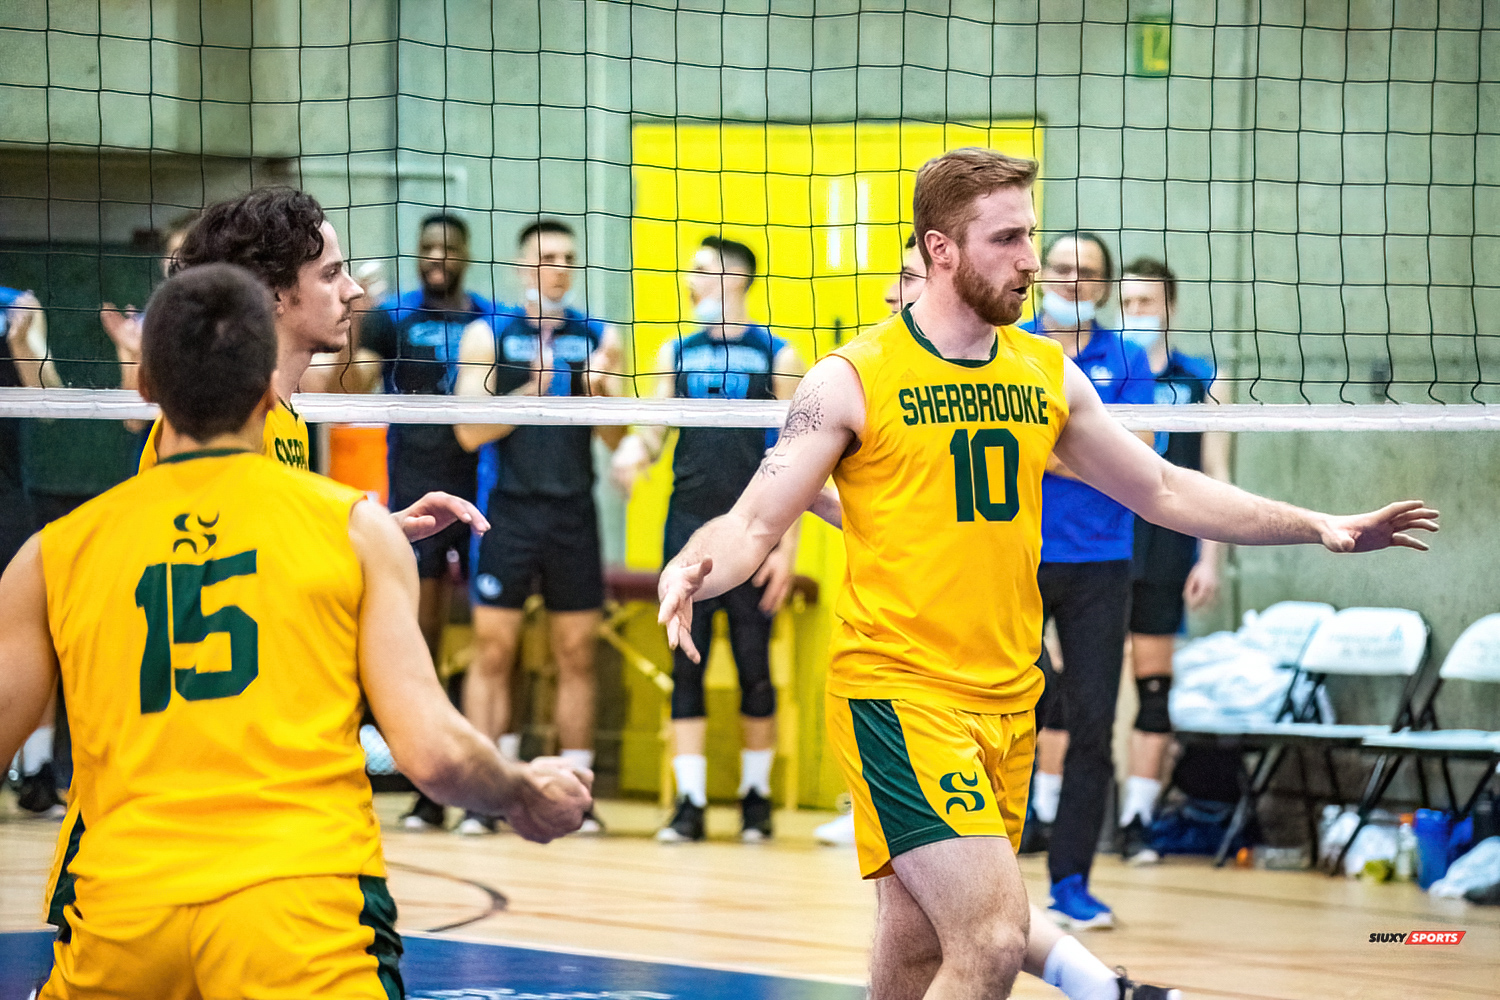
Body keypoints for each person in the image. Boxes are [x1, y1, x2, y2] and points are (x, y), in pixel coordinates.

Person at [656, 146, 1437, 1000]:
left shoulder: (1044, 375)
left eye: (1031, 233)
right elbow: (755, 520)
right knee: (992, 939)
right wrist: (693, 567)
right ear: (940, 249)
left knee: (919, 949)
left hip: (1006, 698)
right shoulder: (850, 380)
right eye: (1008, 239)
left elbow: (1164, 487)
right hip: (898, 694)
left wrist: (1318, 526)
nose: (1033, 260)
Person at [0, 263, 593, 1000]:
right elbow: (433, 755)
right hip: (299, 919)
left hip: (123, 923)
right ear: (267, 393)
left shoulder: (53, 555)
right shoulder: (351, 530)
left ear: (146, 388)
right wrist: (522, 792)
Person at [809, 231, 1185, 1000]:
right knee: (977, 922)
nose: (1045, 268)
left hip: (1079, 576)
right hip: (919, 666)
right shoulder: (878, 374)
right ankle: (1098, 981)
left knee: (934, 917)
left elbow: (1144, 462)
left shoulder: (1034, 364)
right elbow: (793, 501)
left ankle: (1077, 887)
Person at [135, 188, 487, 547]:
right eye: (331, 274)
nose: (353, 290)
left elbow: (281, 540)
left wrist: (382, 530)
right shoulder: (218, 422)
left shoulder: (286, 417)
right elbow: (209, 567)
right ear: (273, 294)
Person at [612, 236, 805, 843]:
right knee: (686, 668)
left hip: (757, 535)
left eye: (699, 270)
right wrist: (630, 453)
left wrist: (788, 548)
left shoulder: (777, 352)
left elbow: (799, 455)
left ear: (733, 276)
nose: (689, 280)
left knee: (755, 670)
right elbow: (655, 430)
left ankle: (757, 800)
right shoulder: (678, 349)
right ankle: (690, 806)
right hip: (688, 533)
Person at [453, 218, 624, 835]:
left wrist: (600, 396)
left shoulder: (600, 336)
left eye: (568, 258)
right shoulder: (488, 334)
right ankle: (484, 794)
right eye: (547, 257)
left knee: (577, 654)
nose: (558, 267)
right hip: (508, 509)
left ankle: (576, 797)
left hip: (573, 508)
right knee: (494, 651)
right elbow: (469, 431)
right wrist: (534, 389)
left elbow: (615, 438)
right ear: (523, 267)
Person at [1019, 231, 1155, 929]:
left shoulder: (1126, 358)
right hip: (1017, 556)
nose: (1073, 280)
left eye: (1088, 272)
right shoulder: (1010, 347)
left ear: (1103, 286)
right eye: (1063, 268)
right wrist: (1091, 453)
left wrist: (1053, 451)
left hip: (1102, 560)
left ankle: (1070, 880)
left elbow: (1143, 456)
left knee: (1095, 723)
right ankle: (990, 868)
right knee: (1013, 712)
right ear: (1043, 273)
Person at [351, 212, 498, 831]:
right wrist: (357, 319)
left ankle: (481, 780)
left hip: (486, 491)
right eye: (428, 246)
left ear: (465, 254)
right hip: (417, 494)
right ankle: (428, 786)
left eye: (449, 247)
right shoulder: (394, 316)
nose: (438, 255)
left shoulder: (489, 317)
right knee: (424, 637)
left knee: (493, 642)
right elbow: (353, 384)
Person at [1115, 257, 1229, 865]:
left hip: (1166, 548)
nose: (1136, 315)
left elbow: (1216, 471)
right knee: (1071, 693)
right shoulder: (1100, 372)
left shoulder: (1202, 377)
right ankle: (1047, 814)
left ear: (1171, 307)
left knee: (1153, 691)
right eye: (1127, 304)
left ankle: (1137, 820)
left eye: (1147, 304)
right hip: (1101, 547)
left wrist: (1211, 559)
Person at [1, 283, 59, 816]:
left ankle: (38, 770)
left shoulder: (16, 302)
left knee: (28, 630)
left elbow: (48, 399)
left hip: (4, 497)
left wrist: (21, 341)